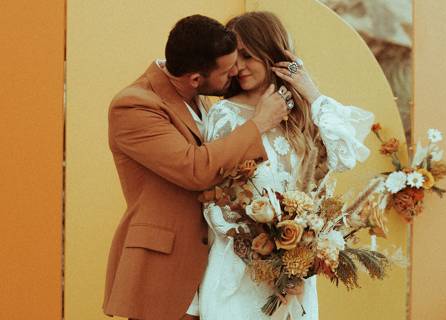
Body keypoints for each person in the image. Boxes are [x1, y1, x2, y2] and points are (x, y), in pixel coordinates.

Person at [102, 14, 291, 320]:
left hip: (211, 272)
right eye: (227, 72)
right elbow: (195, 169)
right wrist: (259, 123)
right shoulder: (135, 105)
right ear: (195, 78)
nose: (235, 75)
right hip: (164, 271)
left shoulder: (200, 100)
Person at [199, 11, 375, 320]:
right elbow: (217, 200)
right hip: (241, 276)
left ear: (272, 56)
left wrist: (311, 92)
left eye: (247, 55)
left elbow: (345, 157)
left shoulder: (302, 116)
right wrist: (268, 263)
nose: (238, 66)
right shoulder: (224, 115)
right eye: (232, 57)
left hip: (296, 280)